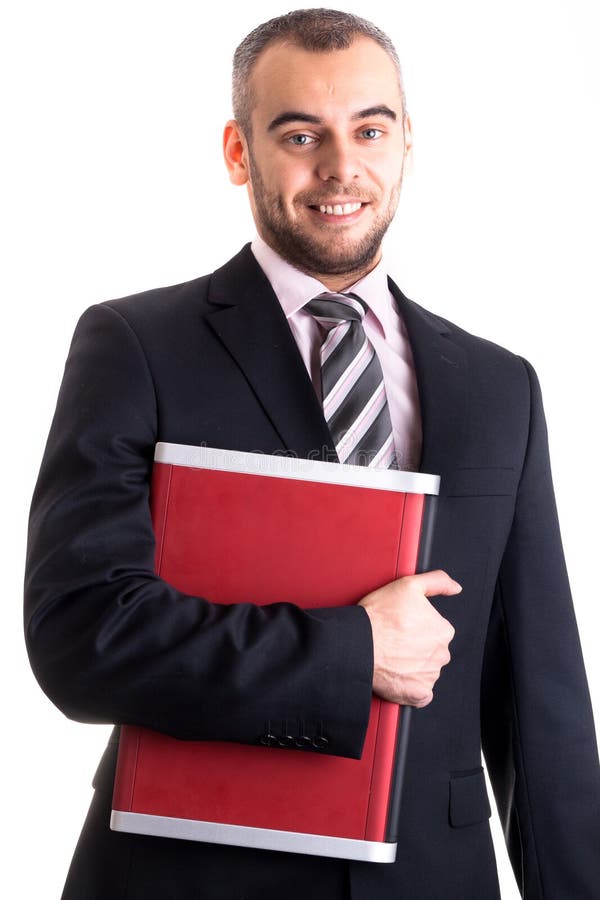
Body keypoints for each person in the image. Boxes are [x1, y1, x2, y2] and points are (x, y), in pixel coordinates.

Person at [24, 9, 599, 900]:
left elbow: (539, 703)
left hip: (429, 877)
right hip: (191, 871)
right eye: (301, 134)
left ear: (409, 142)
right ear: (237, 152)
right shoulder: (135, 346)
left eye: (370, 129)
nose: (342, 167)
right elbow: (79, 636)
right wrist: (351, 651)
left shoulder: (500, 386)